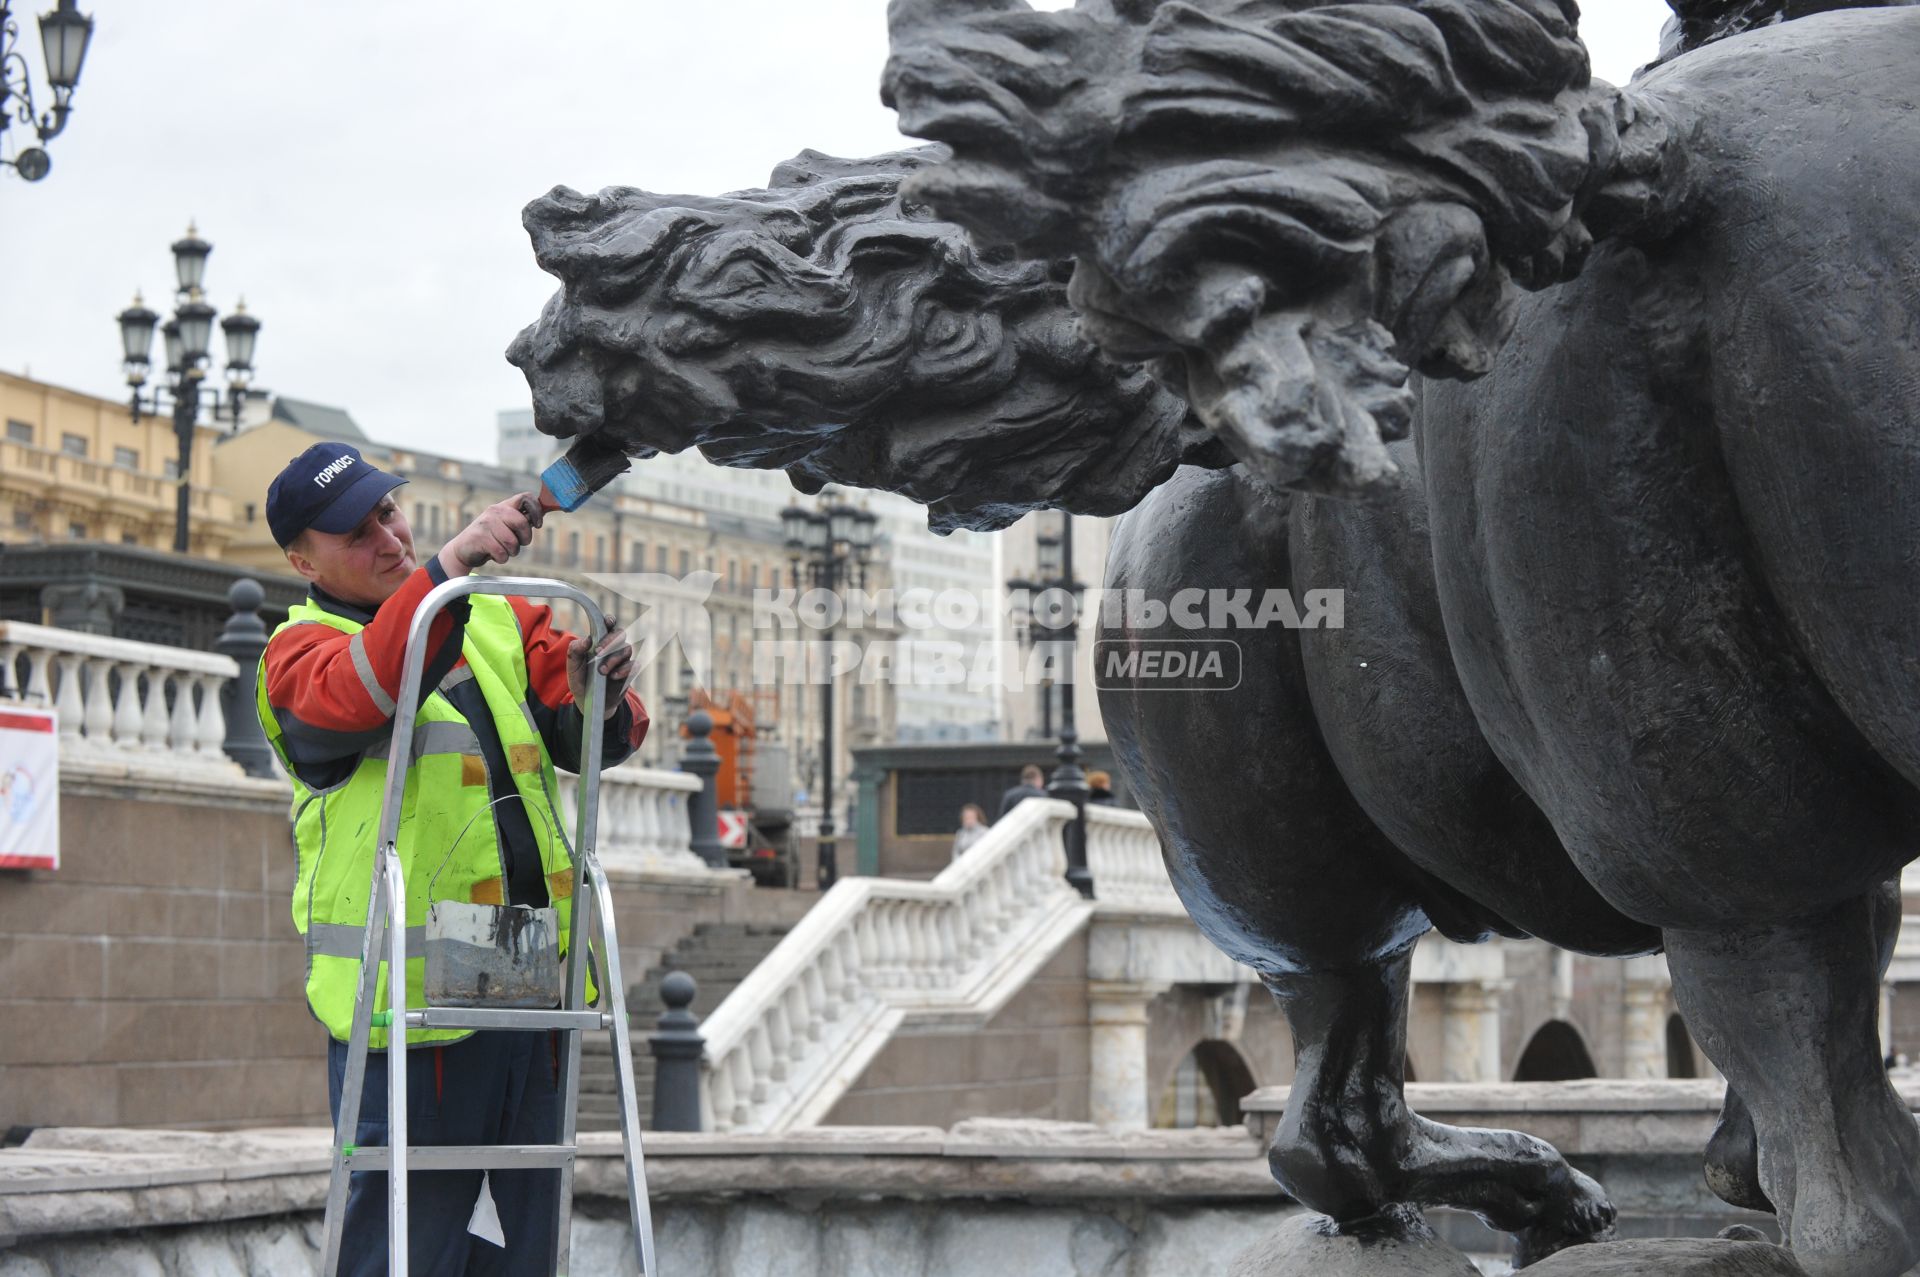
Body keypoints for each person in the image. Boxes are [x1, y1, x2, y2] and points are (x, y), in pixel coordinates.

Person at [255, 443, 648, 1276]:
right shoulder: (298, 653)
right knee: (407, 1239)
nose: (387, 535)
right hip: (414, 984)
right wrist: (447, 568)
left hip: (524, 956)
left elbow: (589, 730)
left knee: (532, 1239)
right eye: (354, 531)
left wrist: (598, 684)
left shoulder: (496, 615)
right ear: (301, 560)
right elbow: (367, 690)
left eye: (388, 511)